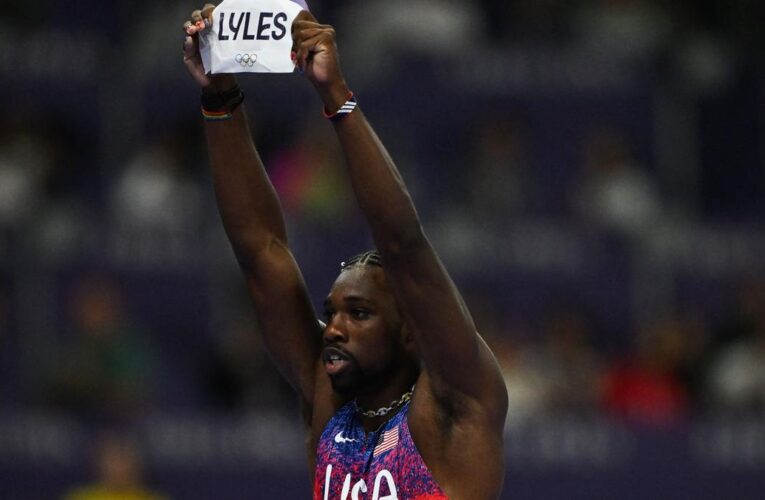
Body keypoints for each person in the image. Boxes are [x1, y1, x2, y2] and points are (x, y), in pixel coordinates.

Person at [183, 5, 508, 498]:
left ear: (410, 331)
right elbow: (261, 251)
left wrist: (335, 97)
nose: (333, 329)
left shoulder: (456, 406)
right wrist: (219, 96)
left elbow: (402, 245)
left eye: (359, 313)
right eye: (332, 312)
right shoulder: (328, 398)